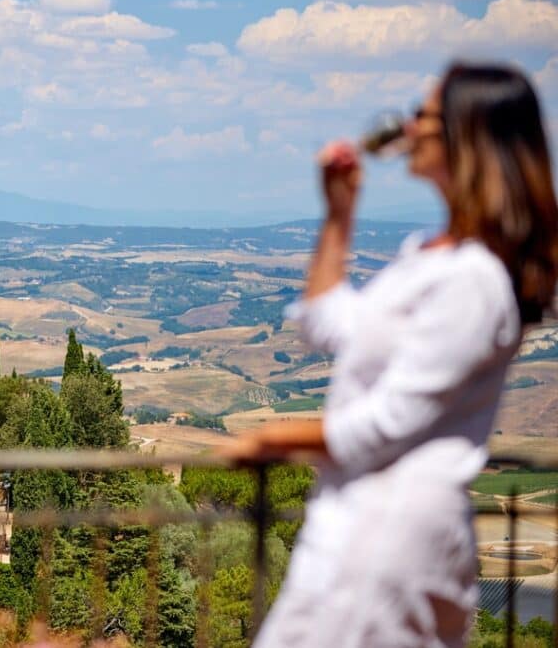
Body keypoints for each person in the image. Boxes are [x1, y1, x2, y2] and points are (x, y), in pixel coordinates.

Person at [227, 62, 558, 647]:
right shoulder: (430, 256)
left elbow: (388, 423)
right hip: (358, 529)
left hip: (394, 540)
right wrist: (339, 213)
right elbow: (328, 323)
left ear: (467, 135)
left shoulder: (474, 280)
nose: (409, 125)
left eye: (425, 114)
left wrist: (273, 440)